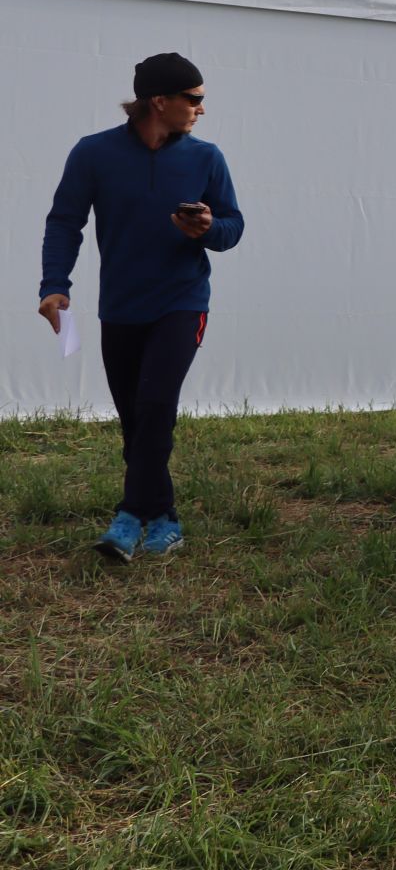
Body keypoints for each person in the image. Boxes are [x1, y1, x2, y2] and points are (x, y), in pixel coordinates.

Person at [38, 52, 245, 562]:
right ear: (160, 101)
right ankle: (166, 516)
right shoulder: (93, 153)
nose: (201, 109)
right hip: (122, 305)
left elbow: (232, 228)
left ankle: (130, 516)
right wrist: (54, 284)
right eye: (194, 99)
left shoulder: (206, 157)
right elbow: (65, 221)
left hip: (183, 300)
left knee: (155, 405)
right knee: (135, 418)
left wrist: (207, 229)